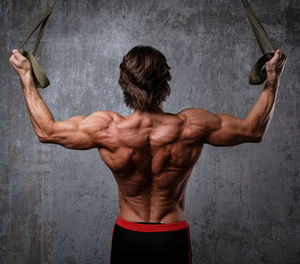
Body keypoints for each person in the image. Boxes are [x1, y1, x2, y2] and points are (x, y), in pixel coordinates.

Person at [9, 46, 287, 264]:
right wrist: (272, 80)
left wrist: (25, 76)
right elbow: (253, 130)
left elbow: (46, 131)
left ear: (124, 84)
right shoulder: (191, 126)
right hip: (171, 236)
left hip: (129, 236)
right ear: (165, 80)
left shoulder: (107, 129)